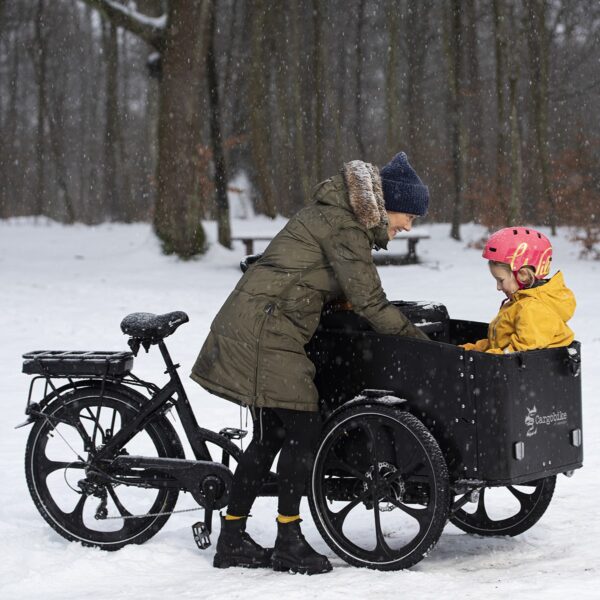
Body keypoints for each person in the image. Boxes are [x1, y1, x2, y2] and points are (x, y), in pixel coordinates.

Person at [191, 152, 430, 574]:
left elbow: (332, 283)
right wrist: (423, 345)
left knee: (271, 435)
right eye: (408, 215)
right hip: (265, 326)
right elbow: (370, 300)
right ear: (386, 203)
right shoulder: (343, 224)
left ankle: (232, 539)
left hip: (267, 321)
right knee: (301, 425)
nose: (408, 226)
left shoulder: (342, 216)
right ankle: (287, 539)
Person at [461, 227, 576, 354]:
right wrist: (473, 350)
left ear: (523, 275)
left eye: (501, 280)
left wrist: (488, 358)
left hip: (521, 371)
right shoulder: (519, 302)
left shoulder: (533, 309)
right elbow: (500, 342)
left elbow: (515, 353)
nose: (498, 287)